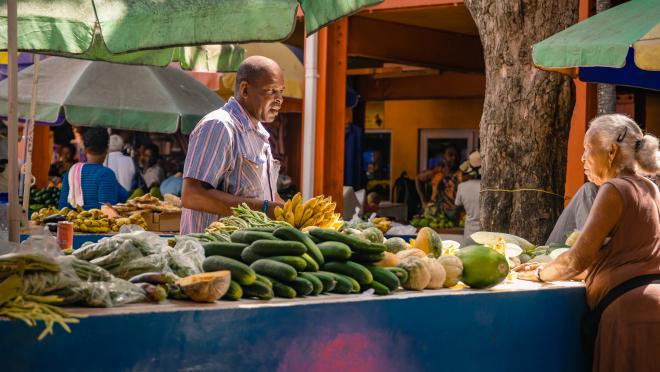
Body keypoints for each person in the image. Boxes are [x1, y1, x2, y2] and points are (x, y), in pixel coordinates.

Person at [514, 114, 660, 371]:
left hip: (629, 315)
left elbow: (576, 260)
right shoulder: (650, 188)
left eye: (587, 149)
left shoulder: (614, 189)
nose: (582, 158)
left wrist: (538, 273)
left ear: (611, 152)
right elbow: (621, 253)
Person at [180, 56, 285, 234]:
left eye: (281, 91)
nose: (279, 99)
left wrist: (291, 212)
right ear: (245, 90)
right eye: (271, 91)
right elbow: (193, 195)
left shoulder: (259, 134)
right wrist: (265, 209)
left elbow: (264, 196)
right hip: (210, 255)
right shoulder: (219, 126)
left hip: (243, 254)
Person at [58, 127, 128, 210]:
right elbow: (107, 210)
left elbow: (63, 208)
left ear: (85, 149)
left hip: (71, 222)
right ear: (106, 150)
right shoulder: (106, 174)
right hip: (97, 222)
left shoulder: (71, 172)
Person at [416, 144, 463, 214]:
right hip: (434, 213)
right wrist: (423, 201)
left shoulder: (462, 174)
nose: (454, 158)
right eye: (450, 155)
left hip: (454, 215)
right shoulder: (436, 172)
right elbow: (418, 178)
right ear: (444, 156)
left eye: (457, 155)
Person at [455, 151, 481, 245]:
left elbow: (457, 205)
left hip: (469, 235)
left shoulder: (462, 186)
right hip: (486, 235)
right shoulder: (489, 187)